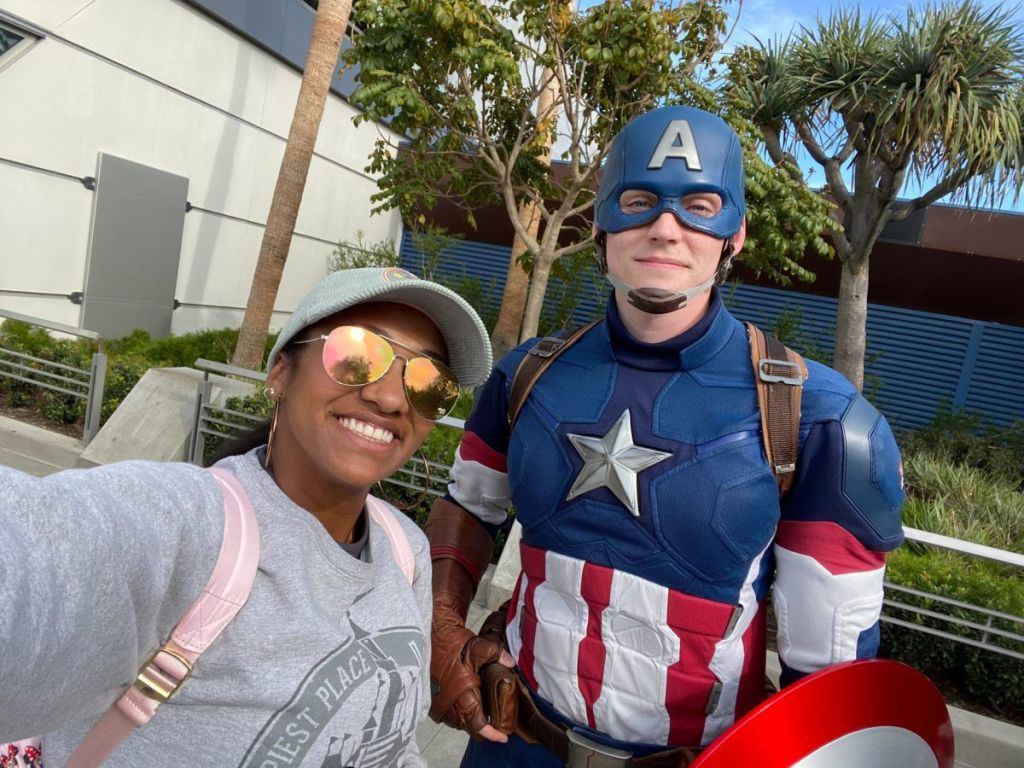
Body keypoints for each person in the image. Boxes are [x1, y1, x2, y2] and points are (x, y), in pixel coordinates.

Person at [426, 105, 906, 767]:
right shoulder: (525, 376)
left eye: (699, 206)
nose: (665, 227)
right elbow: (467, 508)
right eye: (638, 201)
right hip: (511, 747)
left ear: (735, 233)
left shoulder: (821, 420)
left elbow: (829, 681)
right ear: (599, 223)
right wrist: (442, 627)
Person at [0, 266, 492, 767]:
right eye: (358, 353)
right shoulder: (190, 524)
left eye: (428, 382)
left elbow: (394, 745)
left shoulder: (404, 549)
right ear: (280, 373)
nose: (390, 397)